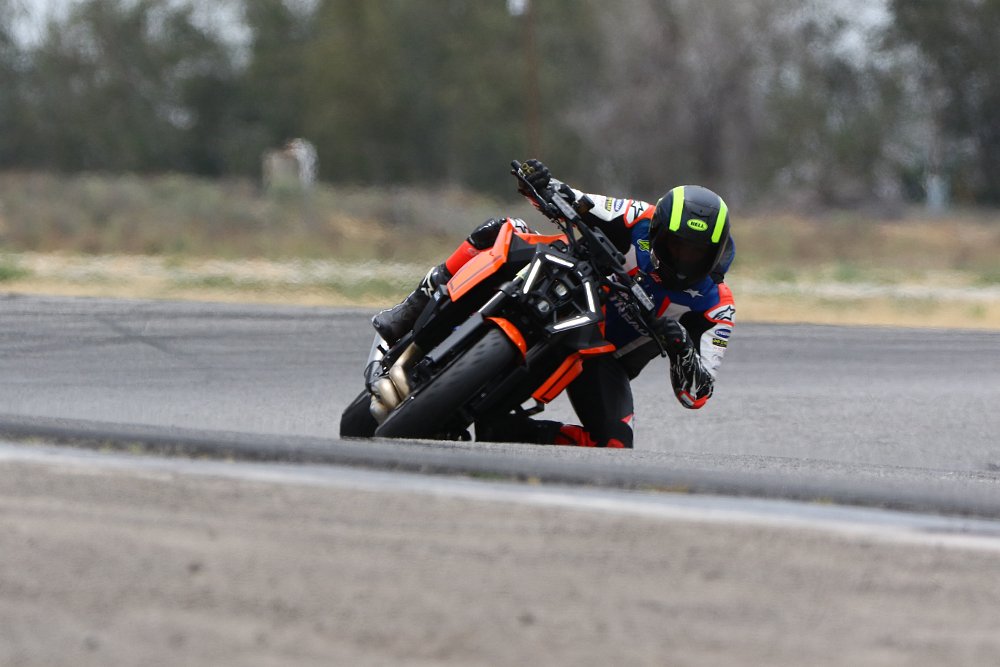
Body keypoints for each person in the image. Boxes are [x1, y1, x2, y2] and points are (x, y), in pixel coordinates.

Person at [372, 159, 736, 449]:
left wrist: (681, 349)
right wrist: (539, 180)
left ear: (715, 252)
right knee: (501, 231)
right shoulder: (638, 217)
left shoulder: (715, 306)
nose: (685, 258)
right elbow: (575, 200)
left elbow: (697, 394)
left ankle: (512, 429)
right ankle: (411, 310)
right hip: (569, 282)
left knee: (614, 446)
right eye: (677, 245)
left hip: (600, 356)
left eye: (696, 252)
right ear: (658, 232)